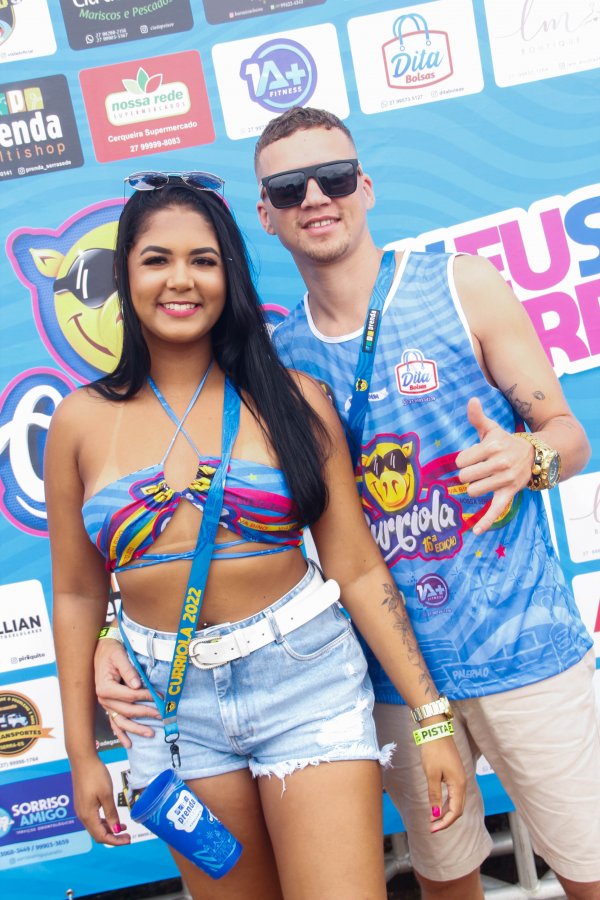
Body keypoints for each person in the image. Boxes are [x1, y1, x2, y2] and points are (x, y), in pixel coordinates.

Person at [46, 172, 466, 900]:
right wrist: (84, 754)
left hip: (305, 682)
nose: (182, 280)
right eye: (157, 260)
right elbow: (79, 595)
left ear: (230, 274)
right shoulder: (78, 421)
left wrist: (431, 720)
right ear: (125, 275)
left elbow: (358, 569)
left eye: (204, 260)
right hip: (170, 710)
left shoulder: (292, 398)